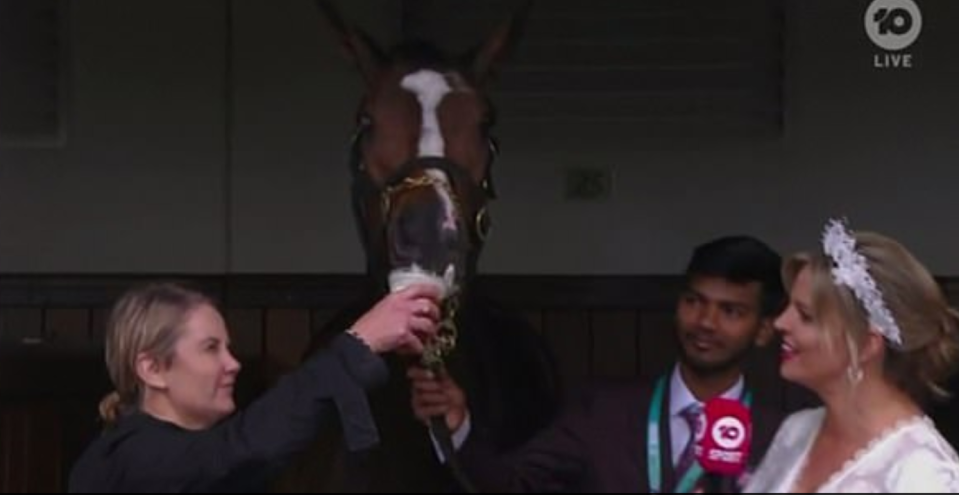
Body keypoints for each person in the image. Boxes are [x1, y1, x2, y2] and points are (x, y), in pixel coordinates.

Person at [410, 235, 795, 492]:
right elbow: (512, 485)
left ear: (763, 330)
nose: (705, 322)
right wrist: (457, 425)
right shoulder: (601, 409)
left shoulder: (784, 437)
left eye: (730, 311)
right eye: (694, 301)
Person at [68, 281, 442, 493]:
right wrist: (358, 343)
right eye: (210, 348)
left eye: (227, 348)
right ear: (152, 369)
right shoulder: (127, 461)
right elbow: (242, 448)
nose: (232, 364)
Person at [743, 219, 959, 492]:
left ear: (867, 344)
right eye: (788, 308)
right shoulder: (797, 430)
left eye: (806, 316)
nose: (780, 323)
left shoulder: (923, 472)